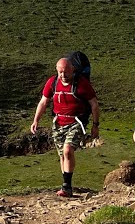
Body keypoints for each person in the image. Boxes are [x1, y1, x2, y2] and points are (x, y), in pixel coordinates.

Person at [30, 57, 99, 197]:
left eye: (66, 72)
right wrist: (36, 120)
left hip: (76, 122)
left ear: (73, 69)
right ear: (57, 70)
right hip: (58, 122)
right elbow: (43, 102)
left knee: (67, 150)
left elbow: (94, 104)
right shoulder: (52, 82)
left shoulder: (81, 84)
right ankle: (66, 185)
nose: (63, 75)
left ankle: (67, 187)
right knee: (62, 154)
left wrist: (95, 125)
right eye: (60, 72)